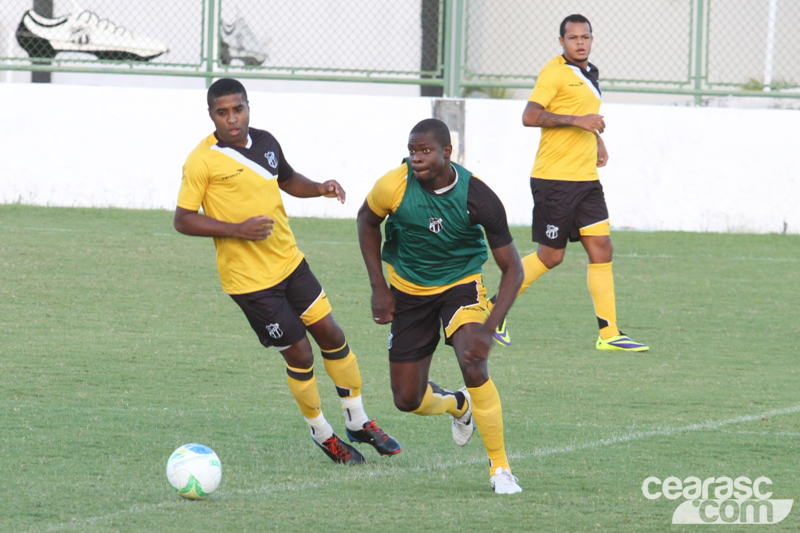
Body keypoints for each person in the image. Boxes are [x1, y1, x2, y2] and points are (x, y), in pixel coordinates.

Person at [174, 78, 400, 465]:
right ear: (210, 114)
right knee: (300, 355)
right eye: (222, 112)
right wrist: (236, 230)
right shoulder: (202, 160)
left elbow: (287, 179)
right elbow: (182, 219)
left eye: (238, 109)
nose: (232, 118)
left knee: (332, 334)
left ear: (248, 106)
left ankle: (358, 421)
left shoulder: (265, 142)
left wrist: (319, 187)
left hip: (290, 263)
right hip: (251, 284)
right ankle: (323, 434)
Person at [357, 118, 524, 494]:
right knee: (406, 399)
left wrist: (490, 327)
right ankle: (457, 405)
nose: (416, 158)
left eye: (425, 151)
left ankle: (500, 468)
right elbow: (366, 222)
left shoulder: (477, 197)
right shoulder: (392, 185)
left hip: (460, 284)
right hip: (407, 290)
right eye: (412, 150)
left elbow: (514, 268)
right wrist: (378, 287)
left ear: (447, 152)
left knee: (473, 362)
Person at [492, 14, 648, 352]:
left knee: (602, 248)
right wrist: (578, 120)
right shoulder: (554, 72)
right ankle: (491, 313)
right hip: (555, 179)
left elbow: (586, 116)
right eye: (573, 37)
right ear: (561, 41)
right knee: (551, 256)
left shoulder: (590, 73)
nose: (580, 42)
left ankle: (609, 334)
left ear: (592, 40)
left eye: (585, 37)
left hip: (586, 179)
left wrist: (596, 139)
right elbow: (529, 116)